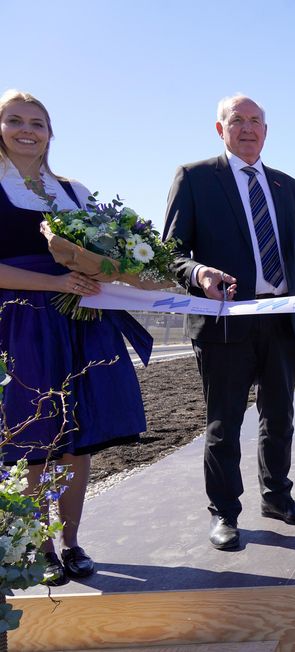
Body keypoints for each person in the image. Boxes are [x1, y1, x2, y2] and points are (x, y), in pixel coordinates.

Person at [0, 89, 148, 584]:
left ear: (50, 133)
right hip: (20, 323)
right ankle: (35, 545)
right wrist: (55, 281)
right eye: (14, 120)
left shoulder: (73, 191)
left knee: (74, 442)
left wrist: (115, 271)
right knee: (32, 440)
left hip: (79, 322)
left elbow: (110, 257)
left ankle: (71, 540)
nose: (27, 130)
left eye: (37, 123)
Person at [163, 94, 295, 551]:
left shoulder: (288, 186)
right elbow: (171, 251)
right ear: (220, 129)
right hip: (224, 324)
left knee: (280, 417)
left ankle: (277, 498)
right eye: (238, 121)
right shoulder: (194, 178)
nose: (248, 128)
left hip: (281, 323)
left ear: (266, 131)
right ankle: (225, 514)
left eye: (256, 121)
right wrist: (198, 274)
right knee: (223, 423)